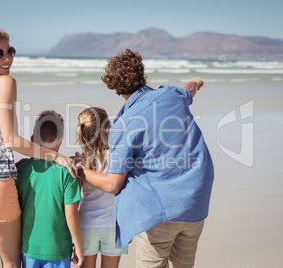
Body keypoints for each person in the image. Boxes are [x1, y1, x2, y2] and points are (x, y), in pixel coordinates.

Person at [78, 49, 214, 268]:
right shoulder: (171, 94)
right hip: (197, 199)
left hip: (161, 210)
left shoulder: (124, 124)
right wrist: (196, 82)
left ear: (114, 87)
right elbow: (189, 88)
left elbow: (113, 184)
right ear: (142, 74)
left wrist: (81, 170)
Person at [0, 28, 76, 268]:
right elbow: (10, 140)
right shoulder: (4, 83)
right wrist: (57, 156)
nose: (7, 58)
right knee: (11, 263)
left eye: (10, 51)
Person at [16, 110, 83, 268]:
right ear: (60, 141)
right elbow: (71, 212)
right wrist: (78, 247)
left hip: (29, 248)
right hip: (58, 250)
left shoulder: (22, 170)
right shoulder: (67, 172)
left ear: (32, 140)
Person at [76, 107, 128, 268]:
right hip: (114, 226)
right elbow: (128, 194)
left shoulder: (81, 160)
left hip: (86, 224)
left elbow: (75, 199)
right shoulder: (119, 157)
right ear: (108, 128)